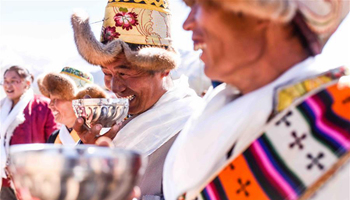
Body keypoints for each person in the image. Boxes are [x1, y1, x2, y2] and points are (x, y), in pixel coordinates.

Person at [162, 0, 350, 200]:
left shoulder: (339, 114)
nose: (187, 24)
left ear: (262, 12)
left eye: (201, 5)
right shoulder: (215, 108)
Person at [70, 0, 203, 198]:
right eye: (107, 73)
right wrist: (88, 153)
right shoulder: (113, 124)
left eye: (125, 74)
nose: (114, 87)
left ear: (163, 70)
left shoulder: (194, 126)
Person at [0, 65, 59, 199]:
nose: (8, 85)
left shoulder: (43, 105)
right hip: (4, 176)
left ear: (27, 83)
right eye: (5, 81)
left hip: (32, 176)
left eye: (13, 81)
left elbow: (55, 141)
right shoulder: (2, 106)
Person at [38, 67, 107, 145]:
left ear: (79, 102)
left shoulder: (96, 136)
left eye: (56, 99)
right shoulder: (53, 137)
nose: (50, 105)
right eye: (50, 99)